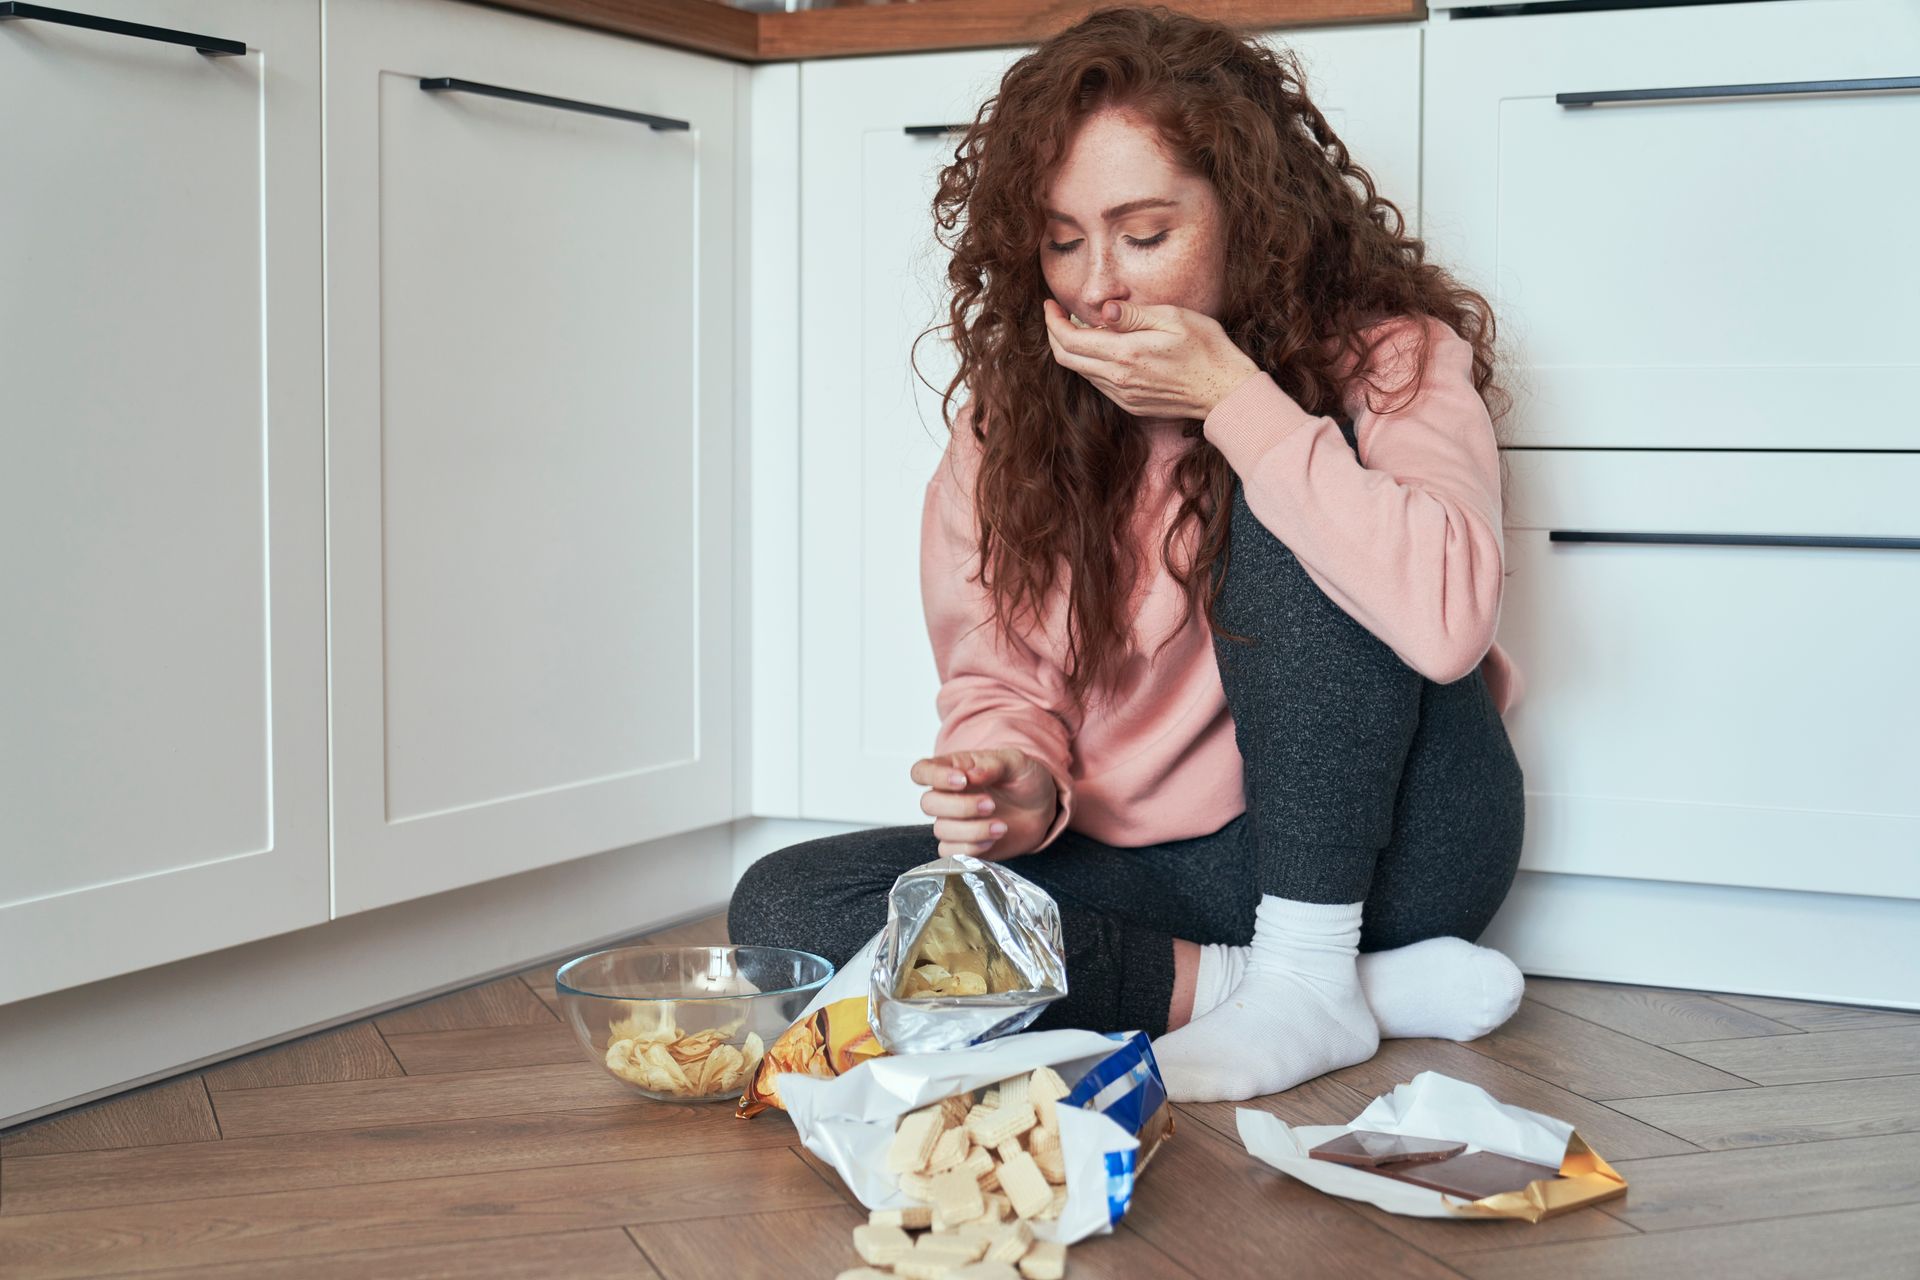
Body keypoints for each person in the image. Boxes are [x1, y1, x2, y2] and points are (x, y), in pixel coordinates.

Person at [730, 5, 1527, 1103]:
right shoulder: (1007, 427)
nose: (1097, 284)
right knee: (788, 905)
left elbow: (1445, 621)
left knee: (1302, 487)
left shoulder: (1389, 356)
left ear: (1252, 217)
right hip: (1163, 880)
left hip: (1392, 846)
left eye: (1145, 234)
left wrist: (1238, 405)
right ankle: (1301, 990)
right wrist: (1017, 779)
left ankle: (1313, 961)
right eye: (1063, 239)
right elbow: (998, 678)